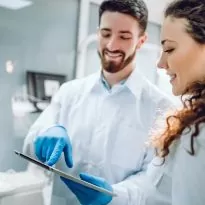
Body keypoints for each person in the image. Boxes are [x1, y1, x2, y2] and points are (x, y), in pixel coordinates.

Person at [23, 0, 174, 204]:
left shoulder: (162, 108)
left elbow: (153, 179)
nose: (112, 45)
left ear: (141, 40)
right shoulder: (69, 93)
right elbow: (30, 145)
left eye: (124, 36)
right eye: (105, 33)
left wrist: (115, 195)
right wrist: (41, 139)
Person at [60, 0, 205, 204]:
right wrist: (113, 195)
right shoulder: (190, 123)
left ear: (140, 41)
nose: (160, 63)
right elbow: (158, 190)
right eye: (106, 33)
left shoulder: (166, 110)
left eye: (170, 49)